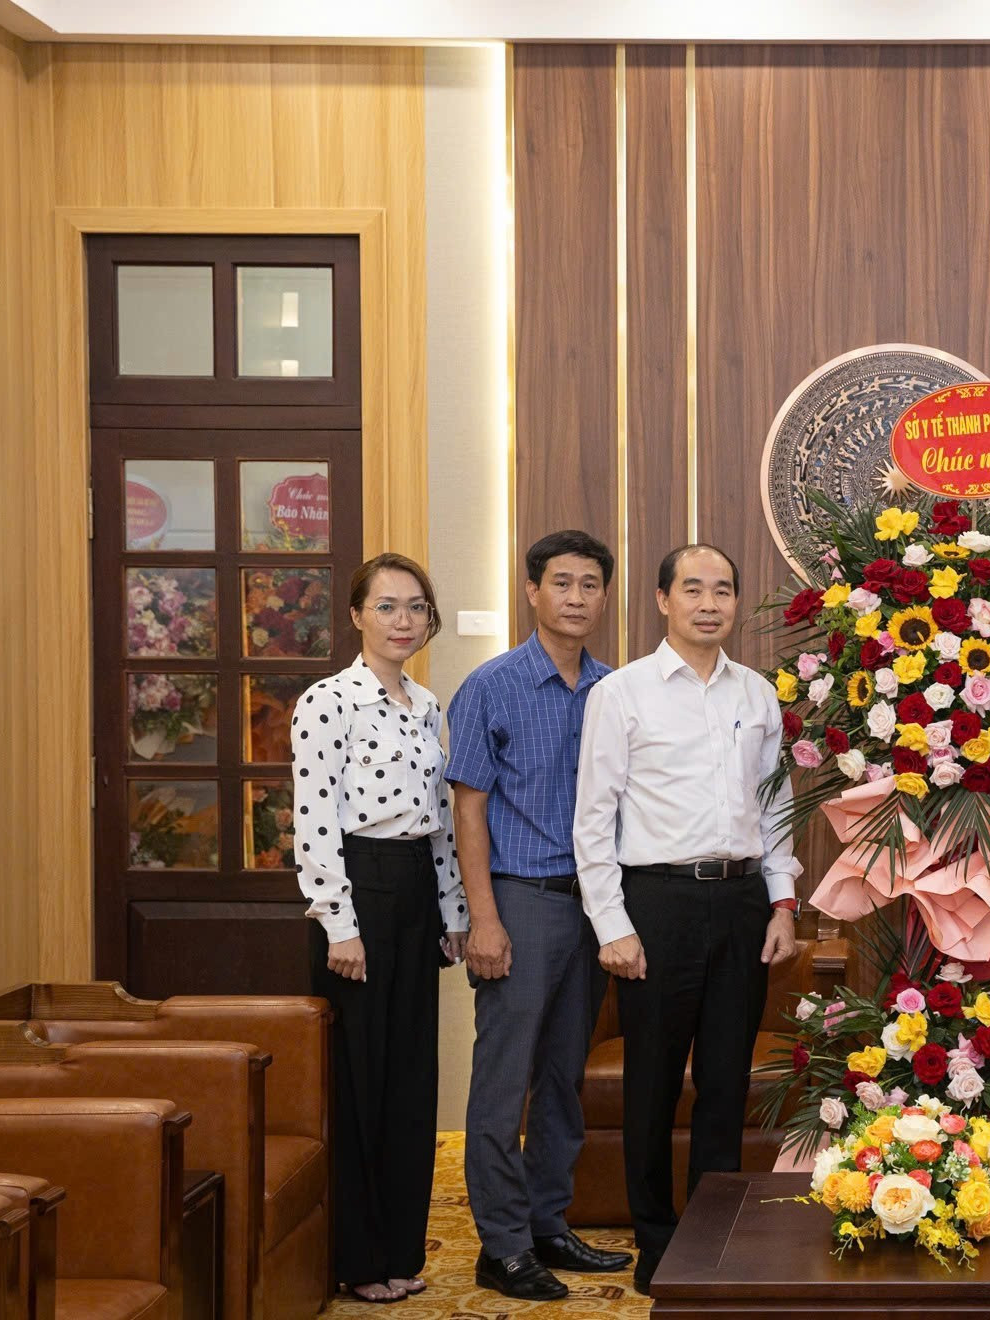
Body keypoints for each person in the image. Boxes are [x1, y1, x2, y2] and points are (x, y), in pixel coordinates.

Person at [572, 543, 802, 1295]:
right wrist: (612, 925)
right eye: (694, 589)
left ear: (737, 603)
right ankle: (657, 1240)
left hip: (740, 903)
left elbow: (776, 809)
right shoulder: (624, 694)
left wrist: (781, 901)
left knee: (727, 1081)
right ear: (663, 599)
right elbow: (593, 818)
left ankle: (716, 1238)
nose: (711, 603)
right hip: (657, 903)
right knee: (654, 1083)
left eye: (724, 590)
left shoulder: (757, 695)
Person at [448, 530, 634, 1301]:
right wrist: (482, 919)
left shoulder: (615, 688)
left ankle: (549, 1224)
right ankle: (502, 1244)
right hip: (519, 901)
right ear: (533, 591)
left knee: (563, 1079)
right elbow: (466, 807)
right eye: (562, 583)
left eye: (591, 585)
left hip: (593, 907)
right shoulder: (491, 685)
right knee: (504, 1081)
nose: (577, 598)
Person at [291, 552, 468, 1305]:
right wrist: (340, 924)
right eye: (388, 606)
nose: (403, 621)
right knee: (360, 1082)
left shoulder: (427, 706)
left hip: (416, 894)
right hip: (355, 894)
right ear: (357, 614)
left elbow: (440, 827)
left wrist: (454, 912)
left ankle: (400, 1248)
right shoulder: (328, 701)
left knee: (409, 1079)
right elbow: (313, 820)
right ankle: (358, 1259)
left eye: (416, 608)